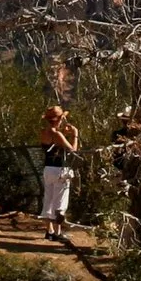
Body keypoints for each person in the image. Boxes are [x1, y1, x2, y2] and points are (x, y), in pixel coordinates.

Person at [39, 103, 80, 242]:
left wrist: (64, 134)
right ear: (60, 119)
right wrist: (75, 135)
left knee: (48, 200)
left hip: (48, 169)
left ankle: (49, 231)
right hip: (60, 170)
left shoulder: (44, 132)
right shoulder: (57, 134)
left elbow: (55, 145)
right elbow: (73, 150)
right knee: (60, 203)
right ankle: (58, 232)